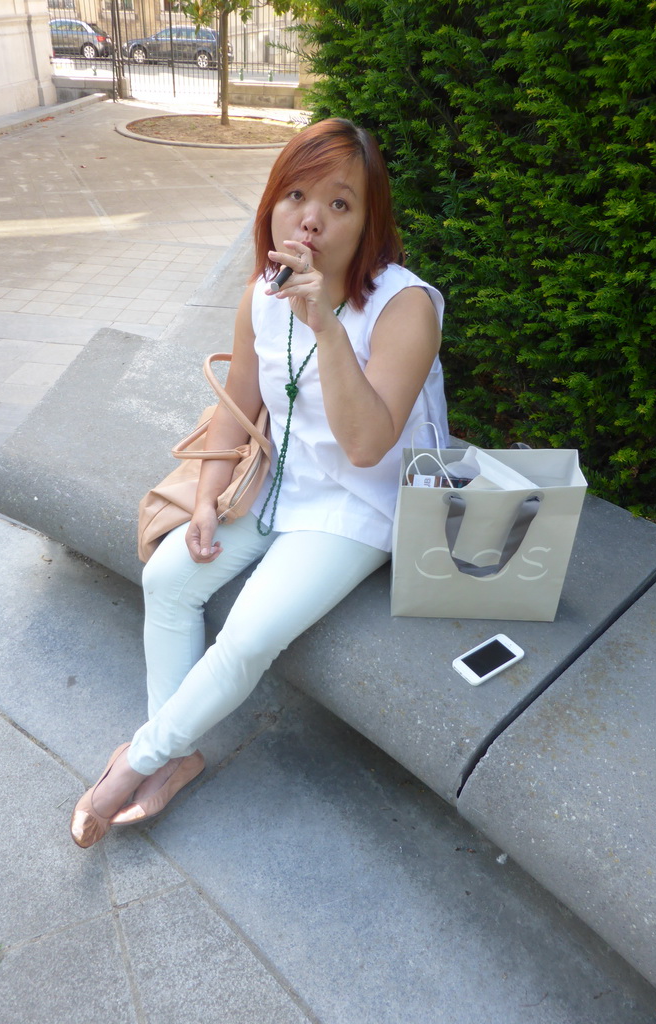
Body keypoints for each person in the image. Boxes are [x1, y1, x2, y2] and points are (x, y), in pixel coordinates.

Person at [71, 117, 448, 849]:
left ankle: (133, 762)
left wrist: (326, 326)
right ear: (272, 204)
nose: (311, 216)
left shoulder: (405, 307)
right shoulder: (260, 294)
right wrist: (209, 496)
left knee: (247, 636)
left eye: (341, 203)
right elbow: (237, 402)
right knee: (171, 577)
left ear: (371, 223)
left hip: (358, 504)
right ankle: (176, 756)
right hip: (278, 484)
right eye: (296, 194)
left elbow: (369, 445)